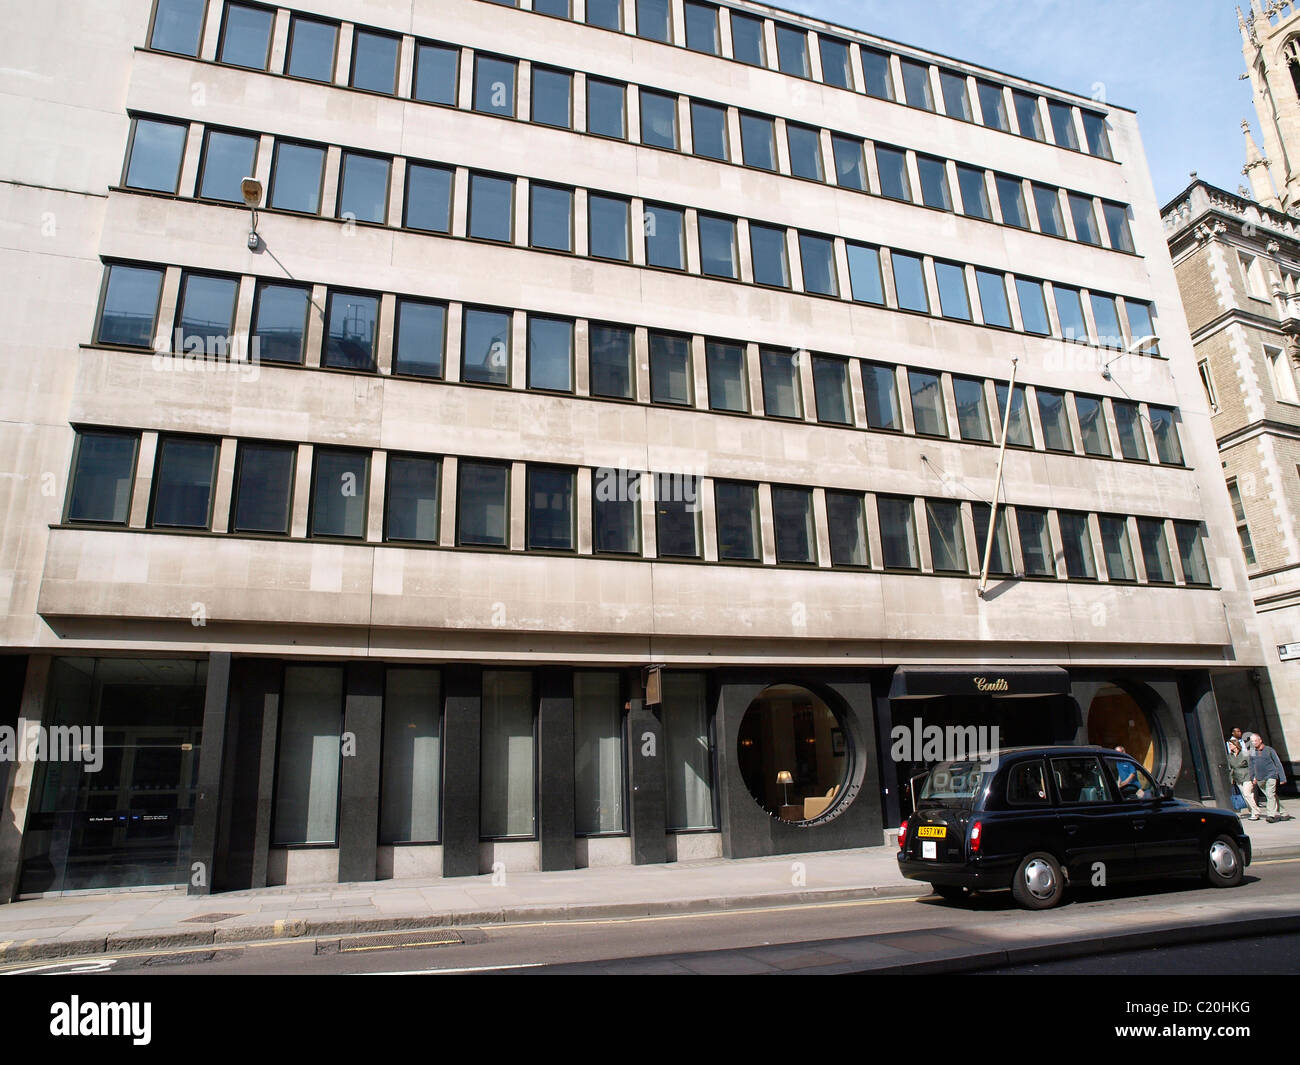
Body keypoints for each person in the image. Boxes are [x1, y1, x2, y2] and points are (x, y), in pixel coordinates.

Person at [1249, 734, 1288, 823]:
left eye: (1255, 741)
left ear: (1260, 740)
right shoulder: (1252, 752)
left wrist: (1282, 778)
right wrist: (1252, 777)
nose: (1253, 743)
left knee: (1270, 795)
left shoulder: (1269, 750)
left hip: (1271, 775)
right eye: (1252, 741)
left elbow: (1278, 763)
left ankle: (1270, 815)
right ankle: (1284, 813)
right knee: (1271, 796)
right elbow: (1251, 766)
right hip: (1259, 778)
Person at [1228, 739, 1261, 820]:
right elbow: (1231, 768)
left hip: (1247, 776)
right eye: (1229, 745)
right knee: (1245, 795)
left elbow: (1252, 765)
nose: (1229, 746)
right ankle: (1252, 811)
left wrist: (1254, 776)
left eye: (1231, 744)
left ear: (1236, 745)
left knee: (1247, 794)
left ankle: (1255, 812)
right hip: (1237, 777)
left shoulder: (1244, 754)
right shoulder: (1230, 756)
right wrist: (1231, 778)